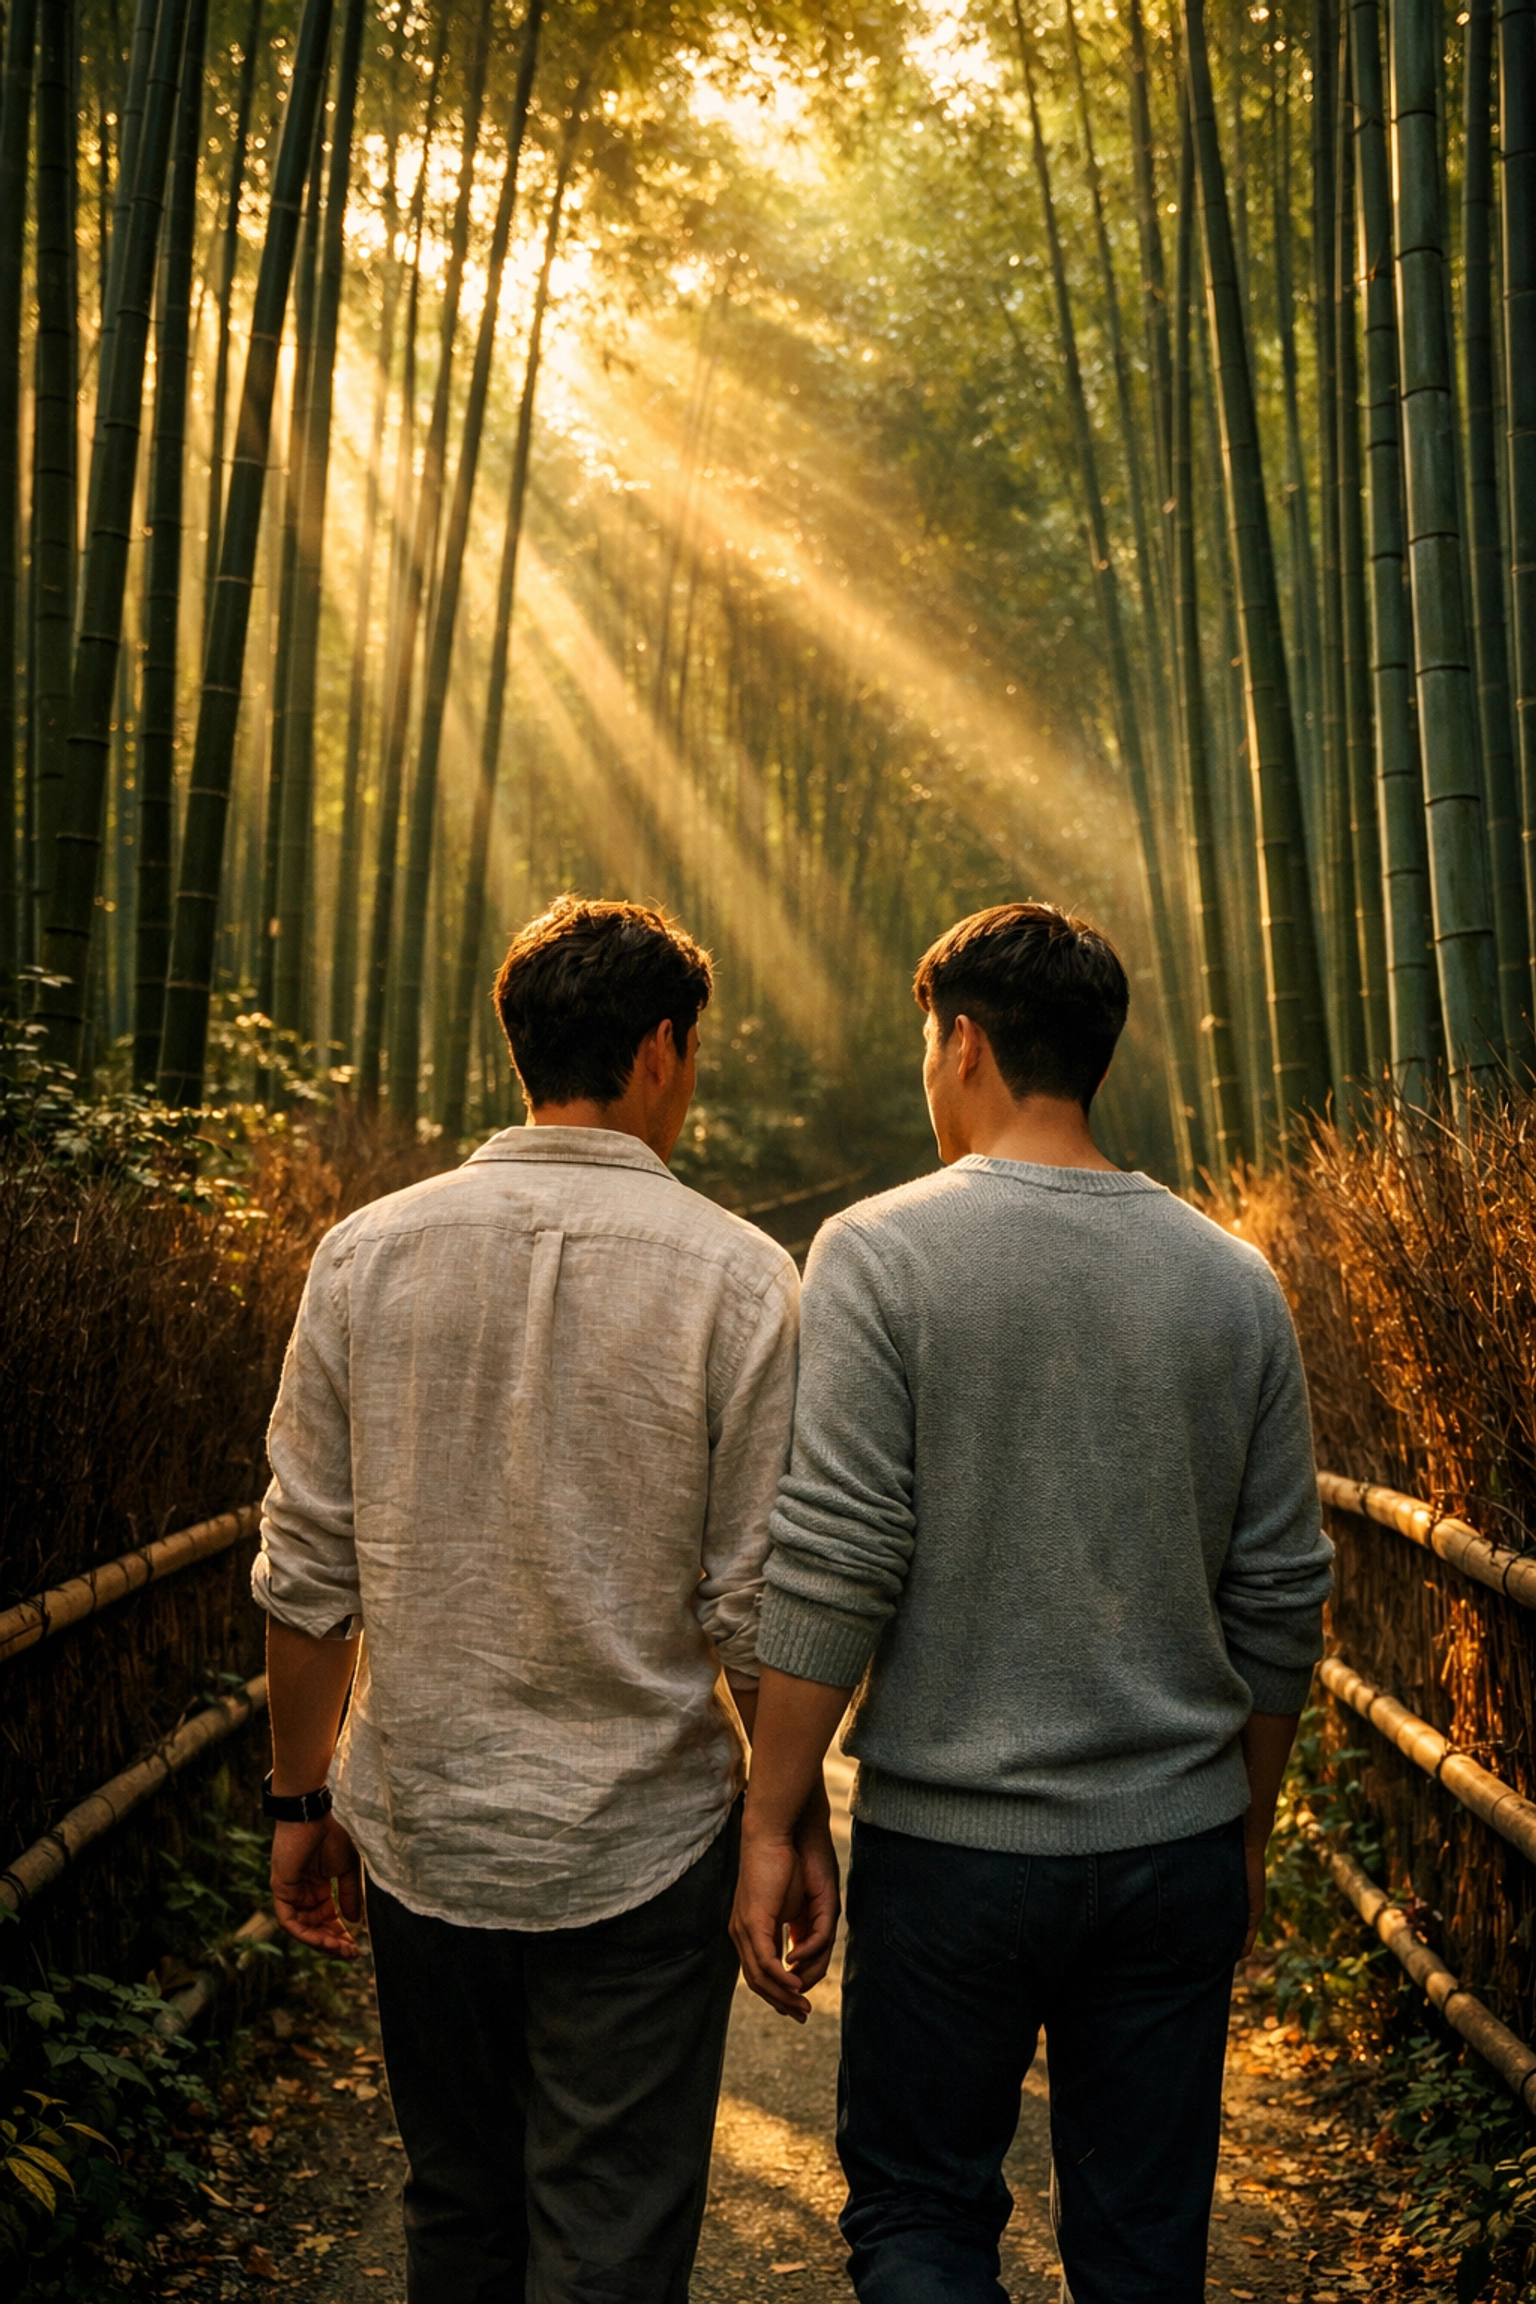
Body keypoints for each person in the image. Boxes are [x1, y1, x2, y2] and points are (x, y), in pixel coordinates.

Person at [731, 901, 1334, 2304]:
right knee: (1140, 2247)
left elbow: (835, 1560)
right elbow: (1282, 1593)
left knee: (925, 2221)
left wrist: (776, 1819)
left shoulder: (879, 1254)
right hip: (1173, 1839)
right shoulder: (1233, 1282)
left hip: (954, 1852)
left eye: (926, 1044)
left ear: (965, 1046)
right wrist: (1240, 1829)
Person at [254, 896, 836, 2304]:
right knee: (614, 2236)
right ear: (658, 1051)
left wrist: (296, 1802)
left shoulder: (366, 1254)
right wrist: (788, 1818)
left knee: (458, 2207)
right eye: (691, 1056)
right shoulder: (743, 1279)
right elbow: (758, 1604)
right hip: (641, 1838)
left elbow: (306, 1571)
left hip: (425, 1826)